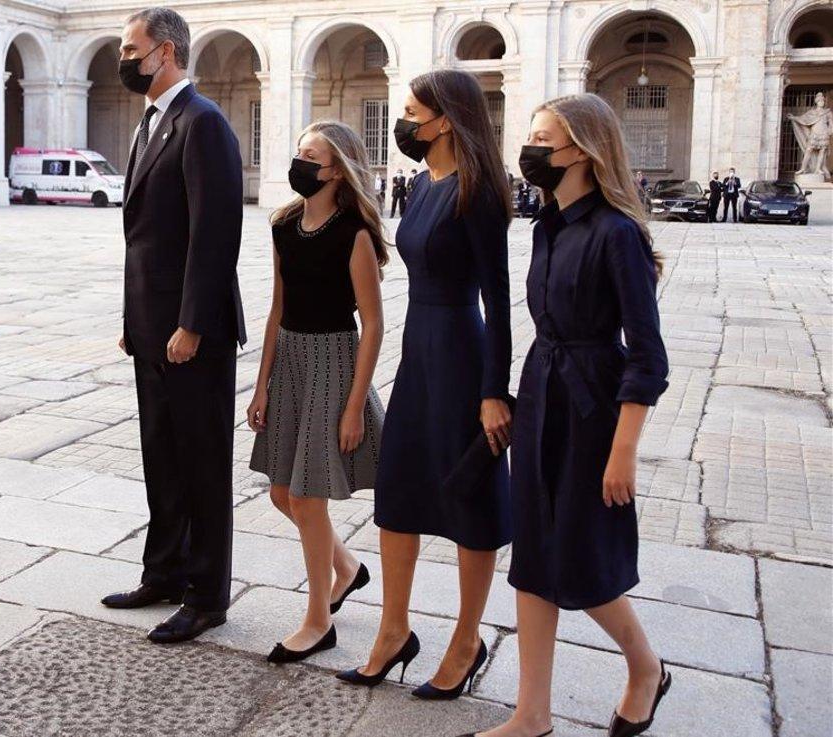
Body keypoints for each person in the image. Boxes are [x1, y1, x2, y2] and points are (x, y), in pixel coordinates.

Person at [461, 93, 671, 737]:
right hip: (544, 392)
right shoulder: (544, 225)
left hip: (594, 406)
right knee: (533, 553)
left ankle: (645, 667)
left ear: (581, 149)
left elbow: (648, 356)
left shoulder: (617, 233)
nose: (529, 150)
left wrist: (624, 450)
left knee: (582, 558)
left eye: (542, 138)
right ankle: (531, 713)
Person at [338, 69, 513, 696]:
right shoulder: (420, 184)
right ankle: (393, 630)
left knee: (470, 498)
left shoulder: (479, 191)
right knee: (400, 492)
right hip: (420, 349)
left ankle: (467, 640)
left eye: (413, 112)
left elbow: (498, 297)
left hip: (464, 353)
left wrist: (496, 391)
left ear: (446, 120)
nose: (404, 122)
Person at [101, 6, 247, 645]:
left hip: (193, 332)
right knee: (161, 452)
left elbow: (214, 237)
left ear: (166, 51)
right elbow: (145, 237)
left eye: (132, 49)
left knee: (201, 460)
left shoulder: (203, 123)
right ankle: (163, 570)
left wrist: (190, 323)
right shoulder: (152, 124)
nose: (124, 59)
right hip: (152, 324)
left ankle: (207, 593)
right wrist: (135, 318)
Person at [247, 120, 387, 665]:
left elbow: (372, 324)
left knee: (307, 496)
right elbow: (277, 305)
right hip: (290, 360)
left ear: (337, 170)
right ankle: (347, 568)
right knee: (283, 494)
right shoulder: (284, 224)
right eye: (298, 151)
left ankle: (317, 620)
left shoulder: (354, 232)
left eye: (312, 156)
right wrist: (260, 384)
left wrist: (355, 407)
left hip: (333, 361)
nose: (300, 163)